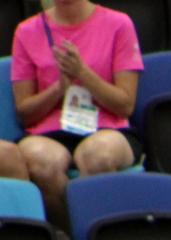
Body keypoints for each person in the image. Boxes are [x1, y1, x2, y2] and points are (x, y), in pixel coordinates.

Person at [8, 0, 144, 224]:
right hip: (50, 132)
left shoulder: (120, 24)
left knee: (96, 156)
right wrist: (59, 89)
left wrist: (82, 73)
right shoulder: (26, 31)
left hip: (108, 127)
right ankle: (79, 237)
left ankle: (93, 239)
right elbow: (25, 112)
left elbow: (125, 104)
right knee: (40, 162)